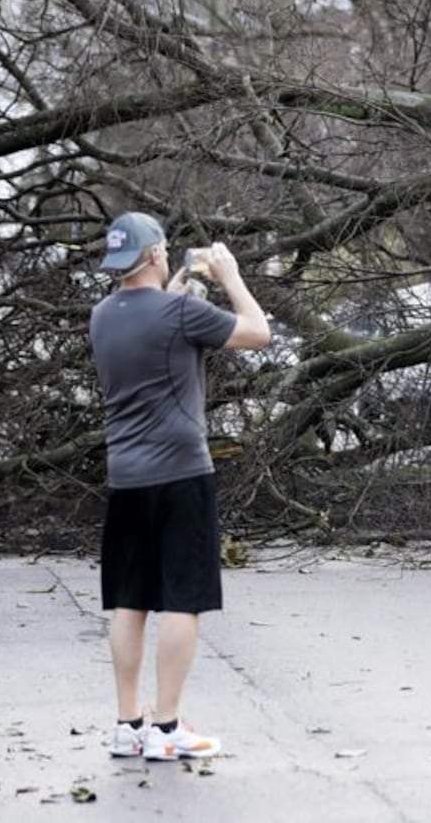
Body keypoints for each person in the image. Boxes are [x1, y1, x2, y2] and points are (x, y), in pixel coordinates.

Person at [88, 211, 271, 761]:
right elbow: (258, 333)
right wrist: (230, 276)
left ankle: (128, 724)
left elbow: (157, 318)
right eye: (163, 249)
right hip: (181, 475)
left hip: (127, 478)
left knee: (129, 601)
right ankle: (166, 729)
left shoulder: (102, 316)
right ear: (153, 256)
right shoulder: (181, 312)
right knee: (180, 604)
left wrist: (181, 284)